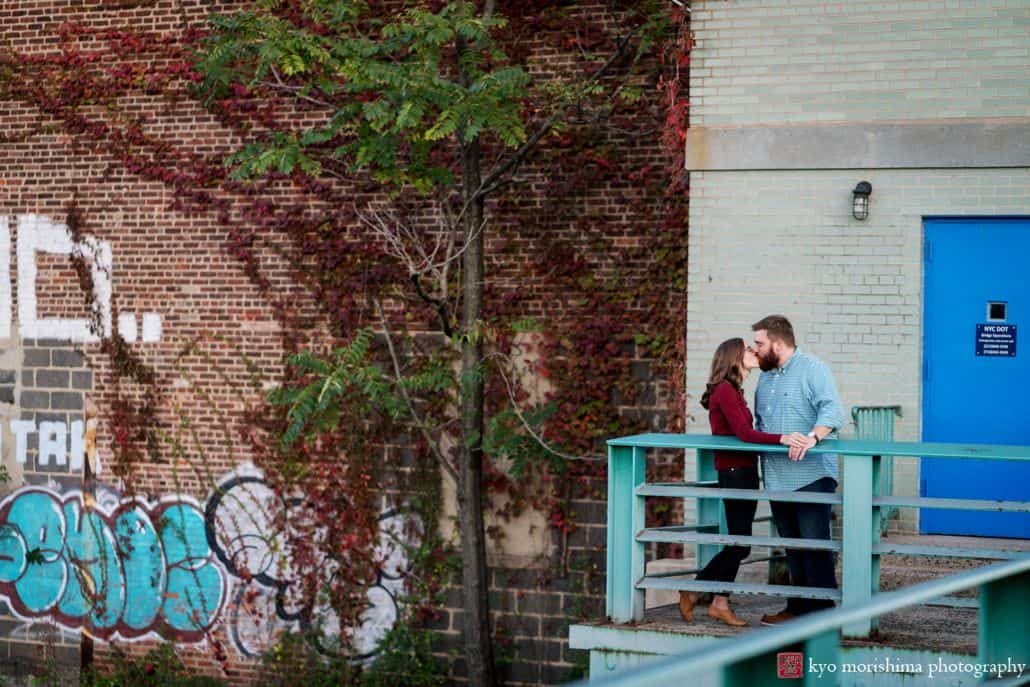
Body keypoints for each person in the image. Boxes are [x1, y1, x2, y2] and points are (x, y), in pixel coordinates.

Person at [678, 337, 803, 627]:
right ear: (734, 357)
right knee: (740, 543)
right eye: (748, 349)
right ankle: (694, 590)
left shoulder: (733, 390)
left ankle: (720, 602)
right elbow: (745, 434)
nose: (753, 352)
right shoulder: (724, 391)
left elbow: (743, 433)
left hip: (743, 470)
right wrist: (782, 438)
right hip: (734, 471)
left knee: (740, 540)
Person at [750, 315, 846, 626]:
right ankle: (797, 609)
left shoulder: (813, 369)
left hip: (811, 476)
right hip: (777, 477)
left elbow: (832, 409)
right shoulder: (764, 378)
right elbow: (760, 426)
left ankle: (821, 614)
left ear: (777, 344)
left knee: (813, 544)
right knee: (792, 545)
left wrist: (813, 436)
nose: (756, 349)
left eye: (760, 344)